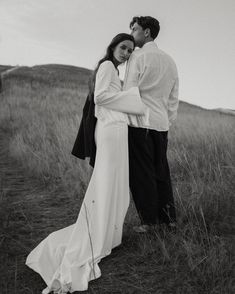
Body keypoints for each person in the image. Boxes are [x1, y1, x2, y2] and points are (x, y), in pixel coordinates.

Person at [25, 33, 148, 293]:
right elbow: (102, 98)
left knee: (114, 183)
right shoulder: (106, 67)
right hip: (111, 131)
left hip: (115, 131)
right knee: (107, 183)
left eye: (130, 50)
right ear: (113, 46)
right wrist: (133, 99)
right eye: (123, 48)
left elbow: (107, 98)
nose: (126, 53)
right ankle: (97, 236)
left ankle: (108, 234)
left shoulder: (113, 70)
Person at [124, 16, 179, 233]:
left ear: (146, 32)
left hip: (139, 123)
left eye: (135, 29)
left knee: (142, 173)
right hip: (161, 124)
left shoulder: (137, 56)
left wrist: (128, 118)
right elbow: (174, 96)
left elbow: (130, 91)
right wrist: (167, 121)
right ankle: (169, 219)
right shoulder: (170, 60)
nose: (132, 33)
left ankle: (149, 222)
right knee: (161, 171)